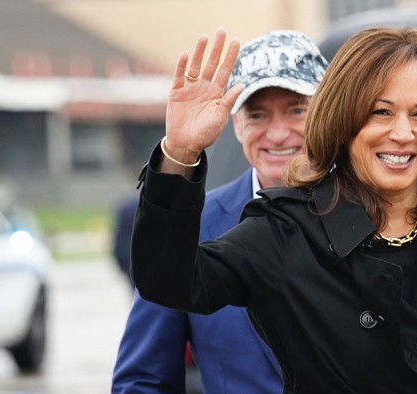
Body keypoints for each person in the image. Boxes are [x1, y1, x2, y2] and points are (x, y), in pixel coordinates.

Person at [131, 26, 417, 393]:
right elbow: (168, 283)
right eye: (381, 112)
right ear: (343, 121)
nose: (403, 134)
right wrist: (180, 153)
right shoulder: (287, 230)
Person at [112, 29, 327, 393]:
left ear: (328, 115)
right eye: (257, 115)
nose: (277, 135)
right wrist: (178, 150)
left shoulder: (373, 213)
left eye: (296, 110)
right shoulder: (194, 226)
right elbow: (143, 379)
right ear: (237, 125)